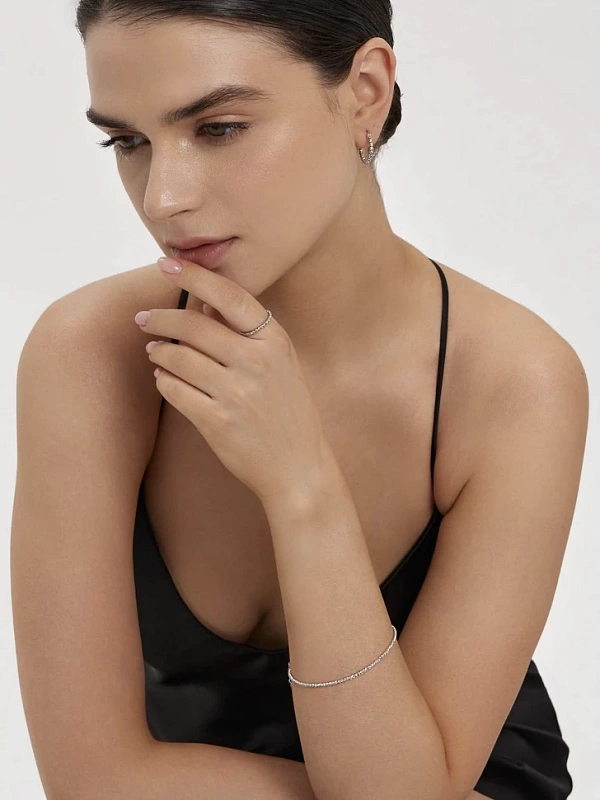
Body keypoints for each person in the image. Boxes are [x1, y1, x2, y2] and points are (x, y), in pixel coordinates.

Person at [11, 2, 588, 799]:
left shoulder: (513, 384)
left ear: (365, 92)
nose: (163, 198)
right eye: (128, 142)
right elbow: (89, 781)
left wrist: (301, 485)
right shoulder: (92, 354)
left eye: (219, 128)